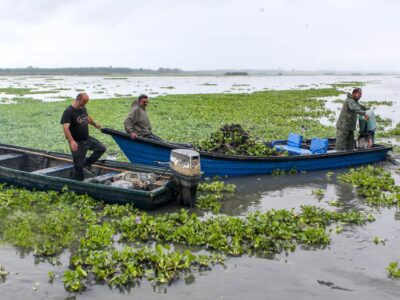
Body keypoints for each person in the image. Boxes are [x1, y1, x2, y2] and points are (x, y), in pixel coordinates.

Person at [60, 93, 106, 181]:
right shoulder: (68, 111)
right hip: (76, 142)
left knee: (101, 148)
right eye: (82, 103)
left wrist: (95, 124)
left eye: (85, 103)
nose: (83, 105)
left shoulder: (83, 108)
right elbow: (65, 128)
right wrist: (72, 141)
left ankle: (87, 163)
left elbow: (87, 117)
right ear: (77, 99)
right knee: (78, 167)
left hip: (87, 139)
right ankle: (78, 184)